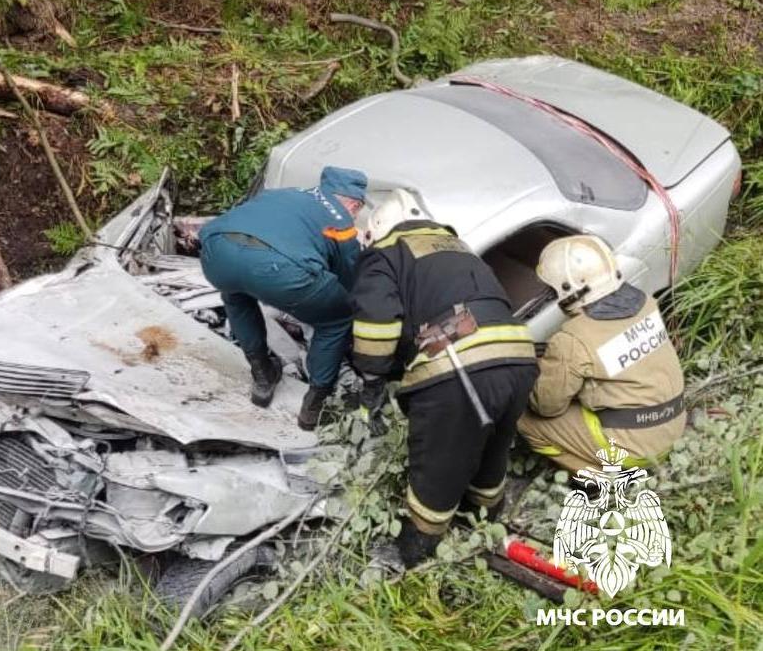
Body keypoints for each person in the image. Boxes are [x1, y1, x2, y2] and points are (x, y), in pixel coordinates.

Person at [350, 189, 538, 577]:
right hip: (519, 355)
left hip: (459, 367)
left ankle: (415, 548)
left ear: (376, 229)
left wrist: (371, 376)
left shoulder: (384, 254)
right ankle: (483, 516)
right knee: (493, 445)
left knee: (439, 464)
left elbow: (376, 325)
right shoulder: (456, 245)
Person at [199, 166, 368, 430]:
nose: (356, 216)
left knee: (236, 296)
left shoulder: (282, 194)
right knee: (337, 319)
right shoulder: (341, 221)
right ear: (354, 203)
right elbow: (348, 280)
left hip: (216, 250)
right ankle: (315, 405)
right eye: (358, 211)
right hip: (279, 270)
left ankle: (262, 376)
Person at [518, 235, 685, 472]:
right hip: (673, 426)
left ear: (567, 289)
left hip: (635, 447)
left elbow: (546, 406)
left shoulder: (573, 340)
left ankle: (600, 479)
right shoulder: (647, 303)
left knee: (526, 420)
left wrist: (537, 370)